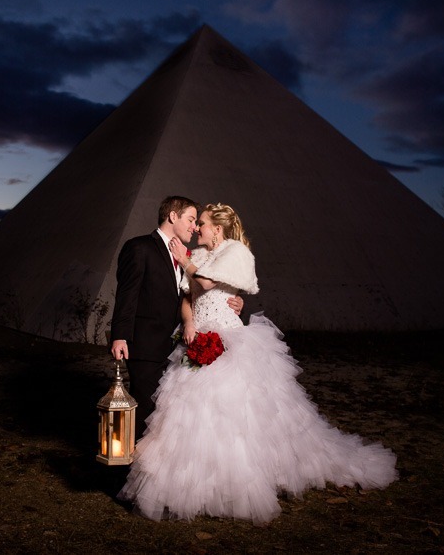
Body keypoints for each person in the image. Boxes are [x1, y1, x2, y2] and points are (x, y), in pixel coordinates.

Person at [118, 203, 398, 525]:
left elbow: (208, 284)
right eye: (196, 223)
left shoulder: (236, 252)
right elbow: (188, 297)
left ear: (218, 229)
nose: (198, 229)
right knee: (190, 414)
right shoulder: (196, 254)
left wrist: (191, 266)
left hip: (230, 340)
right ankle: (200, 482)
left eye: (203, 224)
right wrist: (190, 323)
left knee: (239, 411)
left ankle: (249, 477)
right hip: (198, 339)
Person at [109, 196, 243, 440]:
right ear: (173, 216)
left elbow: (196, 293)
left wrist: (237, 302)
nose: (194, 226)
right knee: (145, 408)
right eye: (191, 219)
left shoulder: (187, 255)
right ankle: (129, 468)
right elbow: (127, 295)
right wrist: (119, 336)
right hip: (146, 346)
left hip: (176, 348)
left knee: (165, 414)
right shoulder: (139, 247)